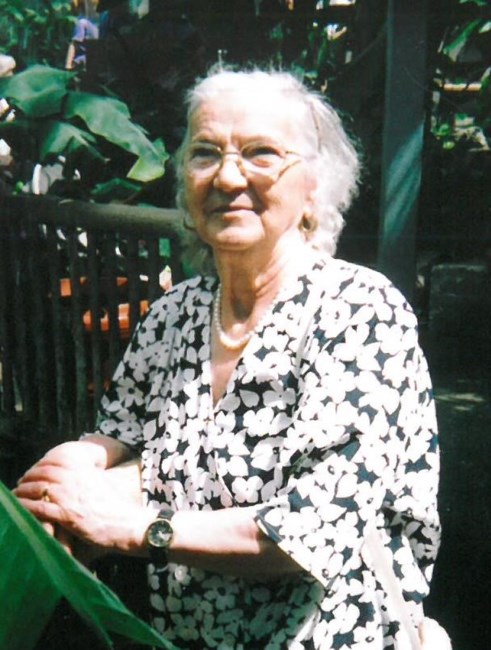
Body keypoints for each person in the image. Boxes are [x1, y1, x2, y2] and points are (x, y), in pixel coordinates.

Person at [15, 67, 441, 649]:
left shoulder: (360, 312)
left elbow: (310, 529)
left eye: (261, 153)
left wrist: (136, 528)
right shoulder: (176, 314)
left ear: (314, 185)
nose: (228, 176)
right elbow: (128, 447)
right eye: (205, 153)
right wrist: (72, 475)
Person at [65, 0, 99, 71]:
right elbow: (74, 44)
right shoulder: (82, 22)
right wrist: (68, 65)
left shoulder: (103, 19)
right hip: (85, 60)